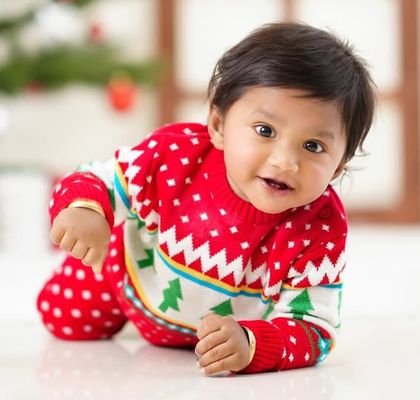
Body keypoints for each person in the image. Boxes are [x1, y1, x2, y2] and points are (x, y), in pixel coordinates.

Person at [36, 22, 375, 376]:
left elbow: (313, 327)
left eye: (313, 146)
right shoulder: (175, 155)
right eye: (265, 131)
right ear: (218, 125)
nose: (285, 161)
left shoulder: (319, 226)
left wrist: (251, 345)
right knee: (64, 322)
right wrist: (85, 209)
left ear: (337, 168)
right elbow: (100, 178)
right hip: (123, 274)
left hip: (222, 334)